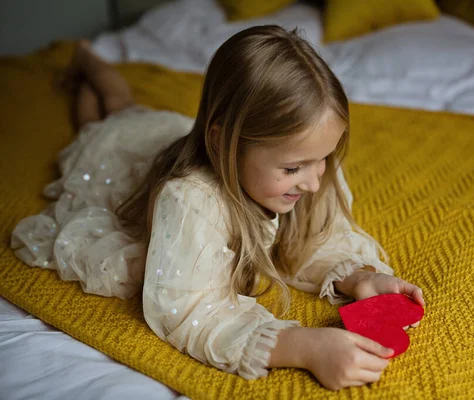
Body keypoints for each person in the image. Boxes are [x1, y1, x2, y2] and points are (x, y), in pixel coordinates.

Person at [11, 25, 425, 391]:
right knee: (99, 122)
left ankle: (89, 67)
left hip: (172, 138)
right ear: (222, 142)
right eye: (294, 167)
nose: (315, 181)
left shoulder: (308, 168)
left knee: (120, 107)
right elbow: (192, 312)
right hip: (125, 154)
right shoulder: (191, 200)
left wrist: (357, 279)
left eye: (323, 159)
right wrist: (303, 347)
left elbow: (313, 241)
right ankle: (86, 58)